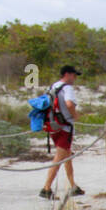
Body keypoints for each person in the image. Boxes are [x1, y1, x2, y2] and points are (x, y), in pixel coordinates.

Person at [40, 65, 83, 199]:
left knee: (66, 156)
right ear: (67, 74)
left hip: (53, 126)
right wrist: (75, 115)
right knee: (59, 158)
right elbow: (69, 104)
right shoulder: (67, 88)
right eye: (74, 75)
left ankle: (73, 186)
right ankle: (46, 188)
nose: (75, 78)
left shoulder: (53, 86)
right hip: (65, 127)